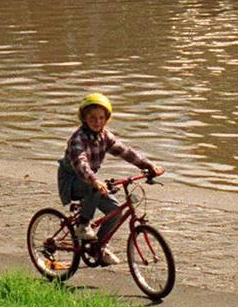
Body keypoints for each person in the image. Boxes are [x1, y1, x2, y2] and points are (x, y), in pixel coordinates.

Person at [58, 93, 163, 266]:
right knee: (93, 188)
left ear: (106, 119)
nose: (97, 122)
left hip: (90, 180)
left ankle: (98, 248)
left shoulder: (105, 136)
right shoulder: (78, 139)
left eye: (101, 118)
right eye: (92, 118)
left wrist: (148, 166)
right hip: (72, 181)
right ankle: (83, 225)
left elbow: (126, 152)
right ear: (84, 118)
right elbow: (81, 164)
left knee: (115, 211)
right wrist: (94, 180)